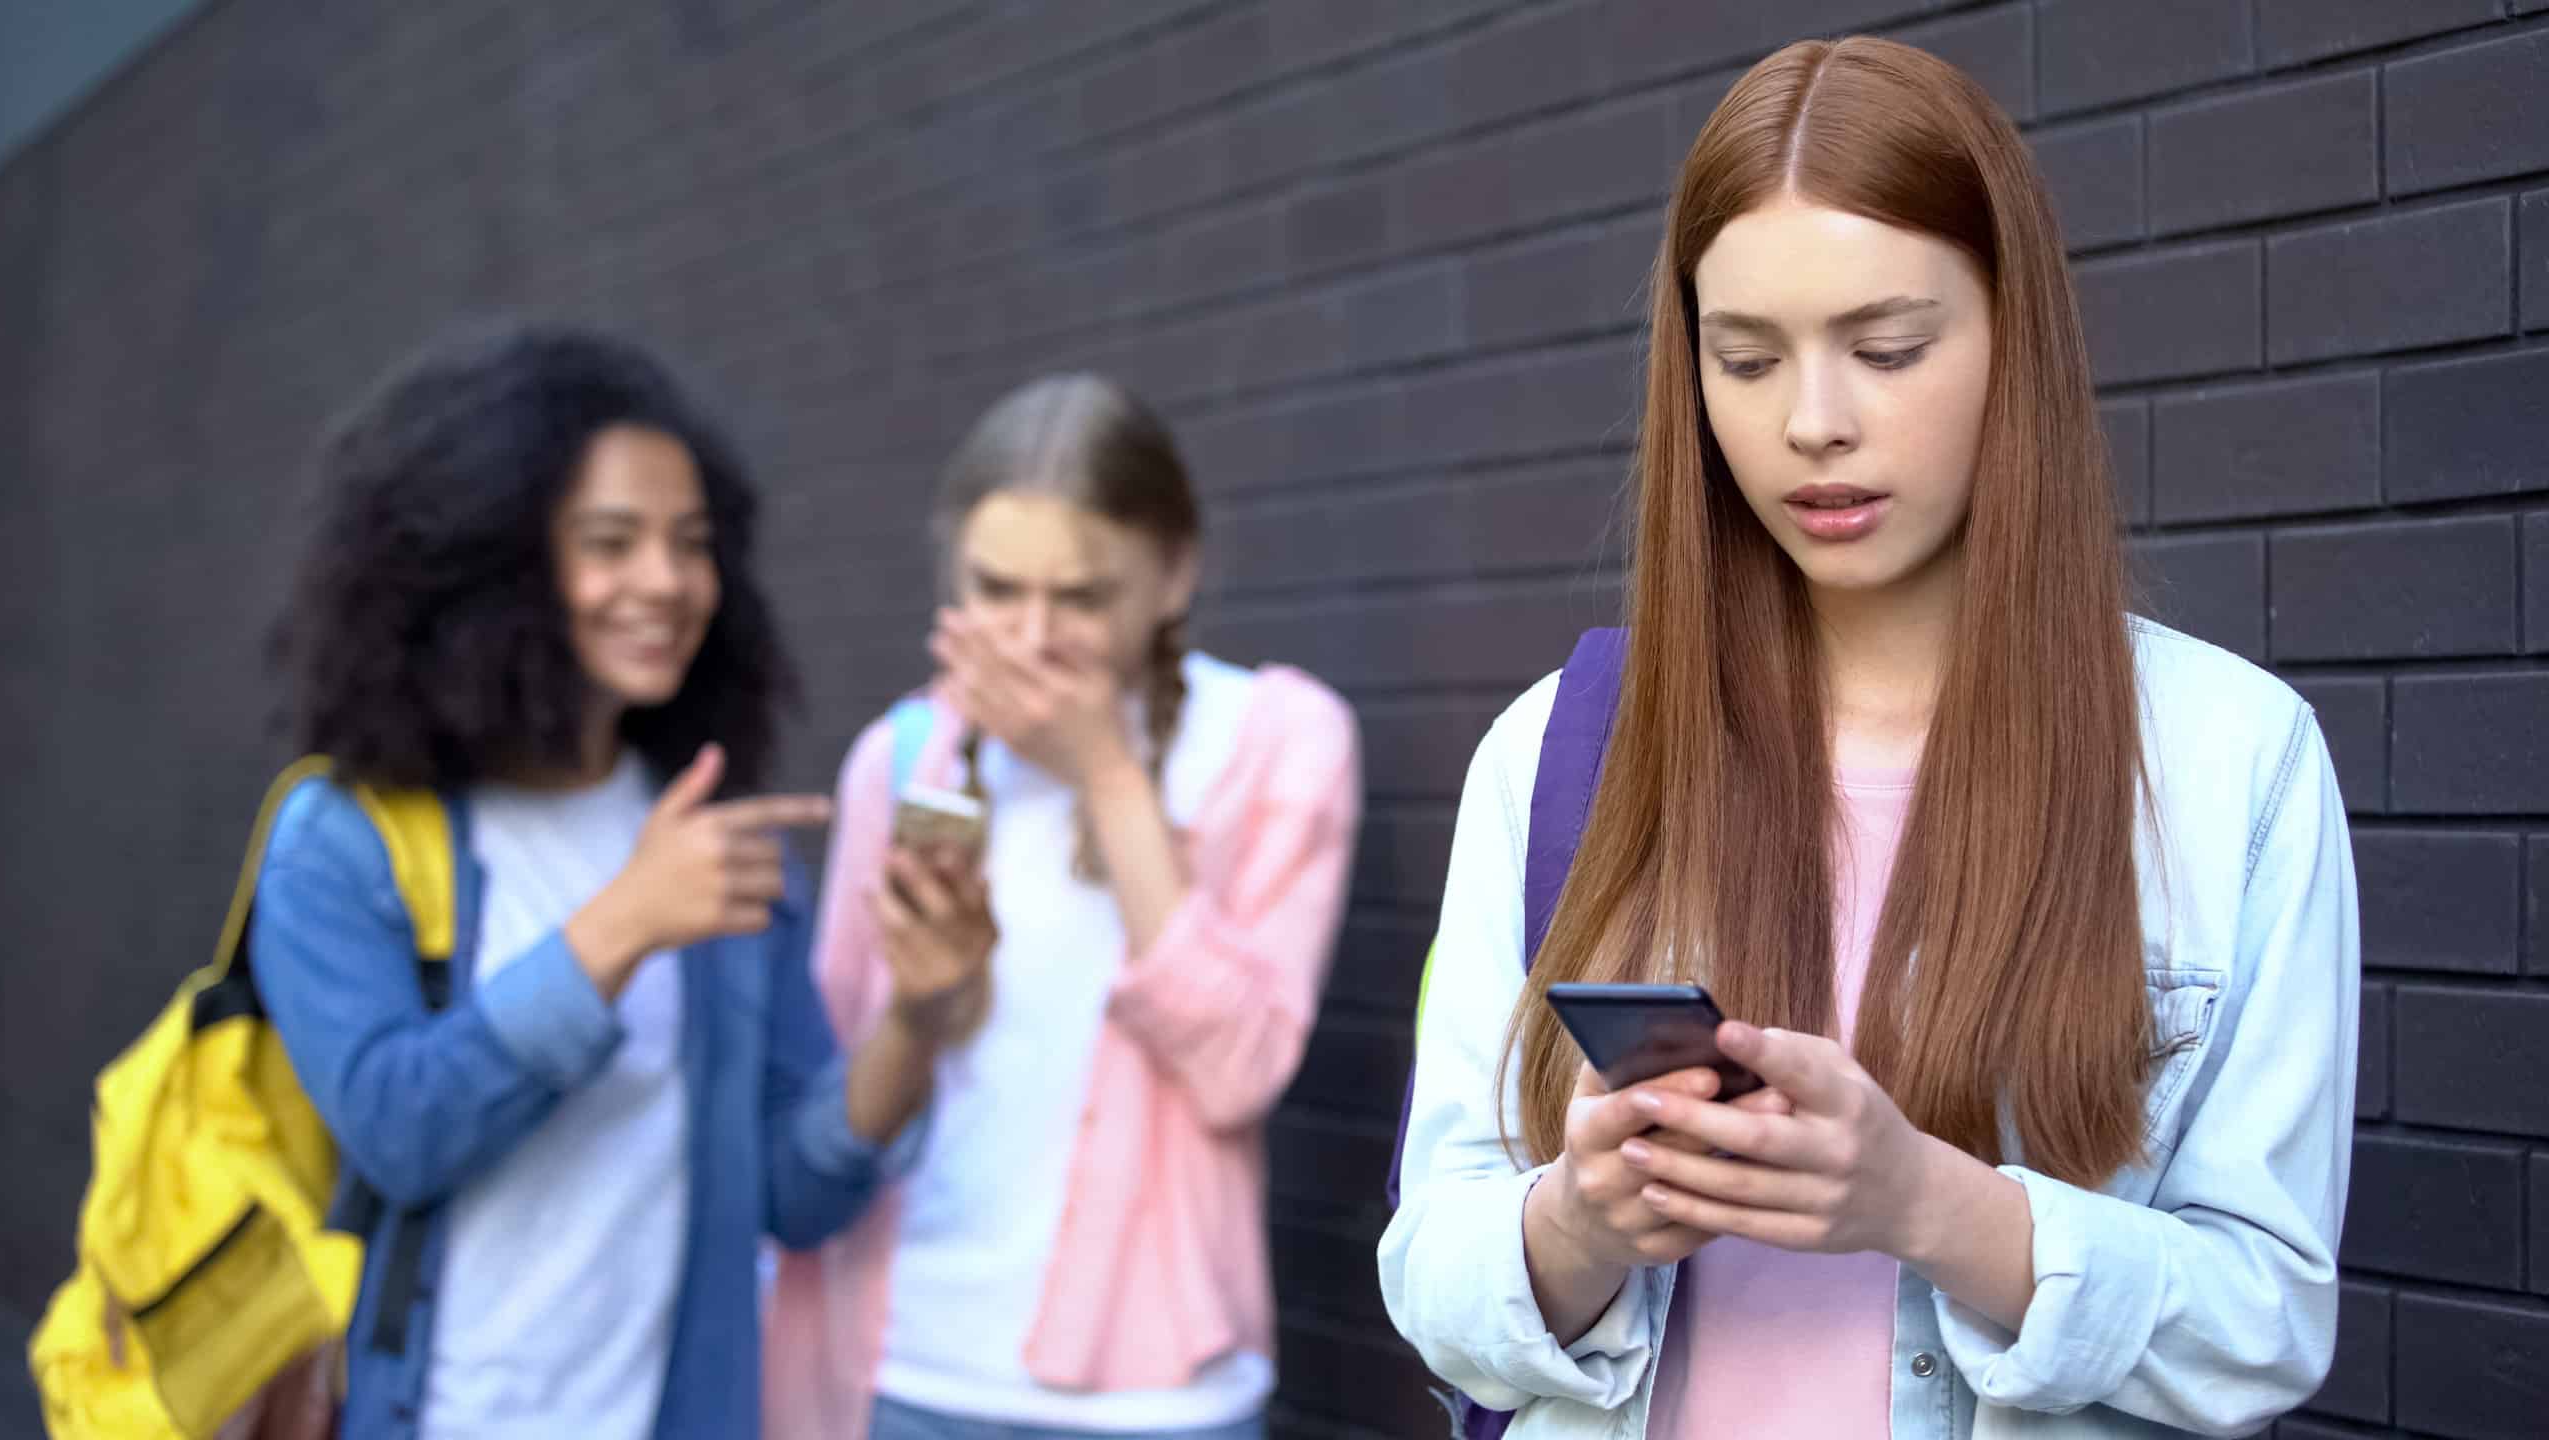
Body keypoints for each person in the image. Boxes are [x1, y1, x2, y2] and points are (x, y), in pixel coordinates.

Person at [1379, 37, 2359, 1439]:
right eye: (1747, 359)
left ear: (2014, 336)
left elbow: (2264, 1327)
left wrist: (1928, 1206)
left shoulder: (2231, 762)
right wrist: (1584, 1220)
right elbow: (1430, 1275)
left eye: (1887, 348)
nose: (1812, 424)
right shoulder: (1555, 753)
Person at [252, 326, 933, 1440]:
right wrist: (621, 925)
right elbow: (400, 1134)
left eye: (691, 543)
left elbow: (794, 1195)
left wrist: (919, 1019)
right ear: (493, 566)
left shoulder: (711, 836)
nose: (666, 583)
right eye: (611, 543)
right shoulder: (343, 837)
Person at [763, 374, 1362, 1440]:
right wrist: (919, 1008)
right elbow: (829, 1113)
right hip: (914, 1371)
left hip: (1160, 1396)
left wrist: (1108, 774)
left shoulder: (1277, 739)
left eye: (1081, 598)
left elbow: (1242, 1070)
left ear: (1174, 573)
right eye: (996, 590)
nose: (1033, 638)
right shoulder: (899, 757)